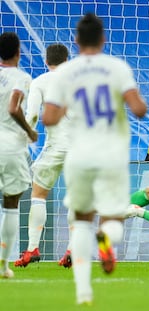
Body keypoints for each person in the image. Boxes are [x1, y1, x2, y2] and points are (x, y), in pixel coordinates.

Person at [42, 13, 147, 305]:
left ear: (76, 41)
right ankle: (105, 241)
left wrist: (65, 109)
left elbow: (49, 117)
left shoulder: (65, 73)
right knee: (112, 218)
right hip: (111, 153)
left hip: (79, 155)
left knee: (81, 219)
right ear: (103, 39)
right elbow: (139, 109)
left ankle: (83, 293)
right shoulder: (117, 68)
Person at [14, 43, 73, 269]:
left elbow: (31, 116)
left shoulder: (40, 82)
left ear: (47, 62)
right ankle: (72, 249)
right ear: (68, 60)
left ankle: (32, 249)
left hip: (55, 148)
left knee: (38, 195)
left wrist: (27, 137)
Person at [0, 32, 38, 278]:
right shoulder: (21, 77)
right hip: (10, 146)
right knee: (11, 203)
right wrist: (30, 131)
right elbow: (14, 107)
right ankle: (3, 266)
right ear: (18, 52)